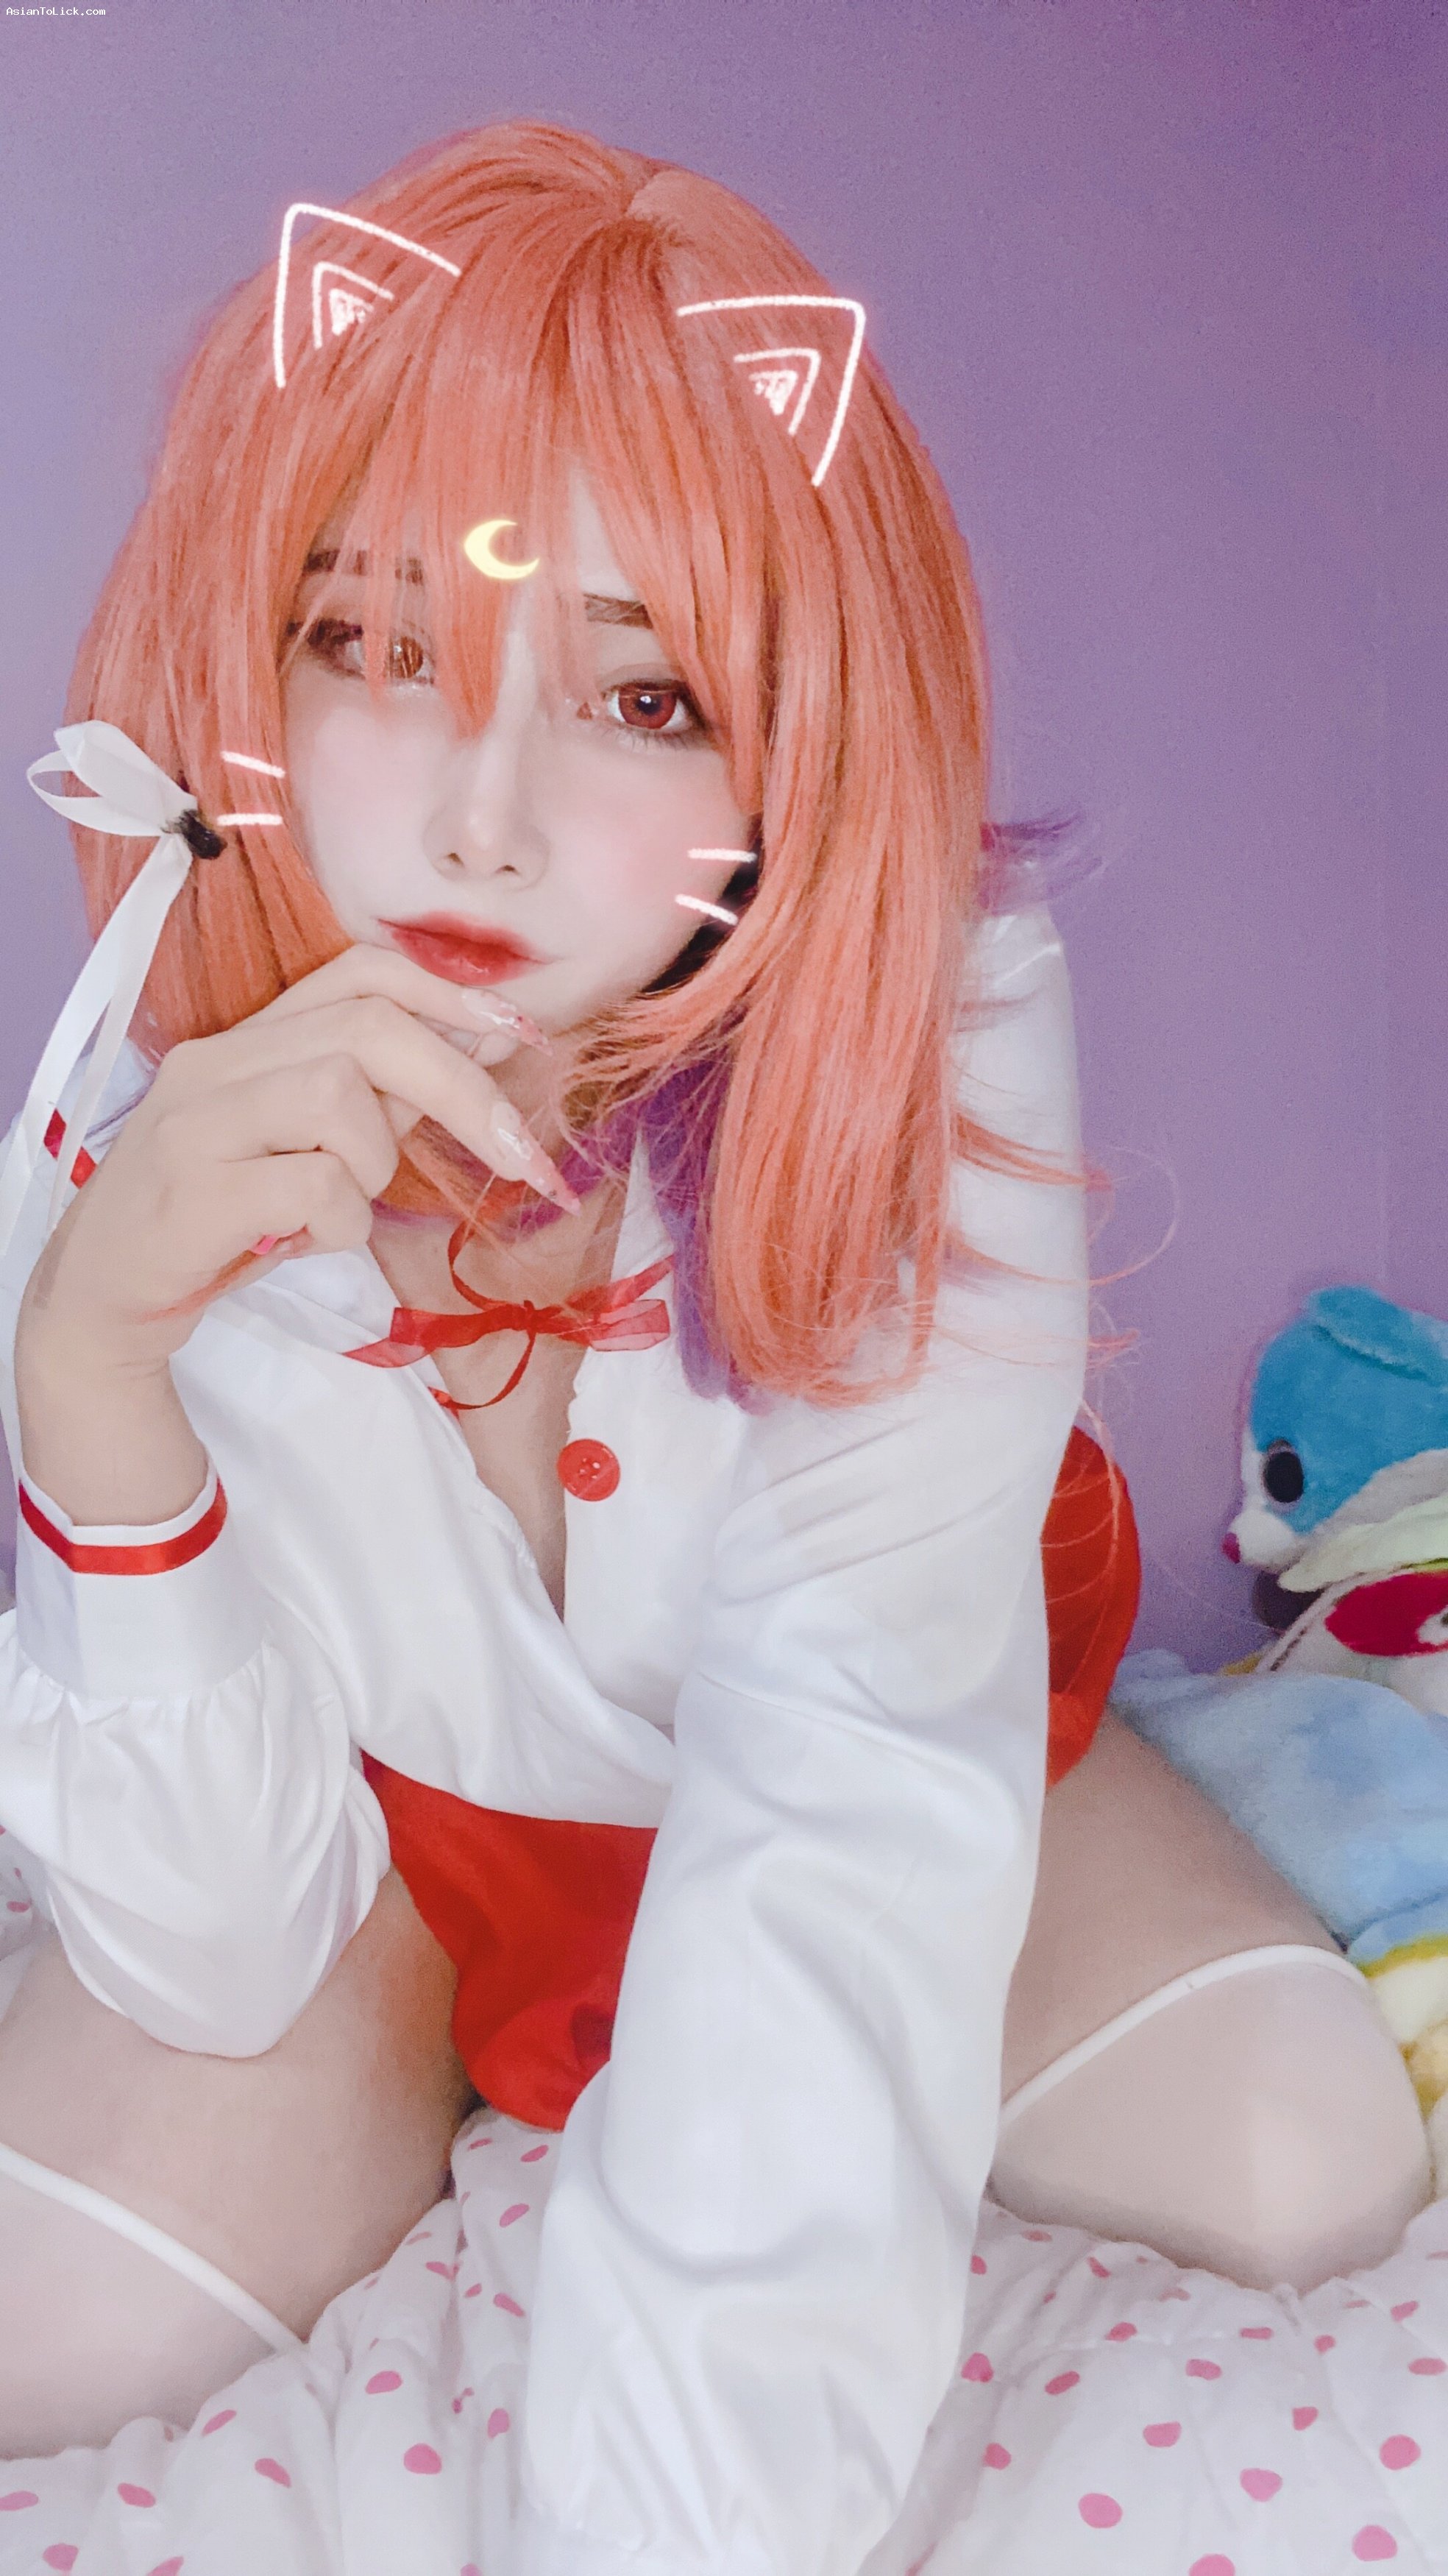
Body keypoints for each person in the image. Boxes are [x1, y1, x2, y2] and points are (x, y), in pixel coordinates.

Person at [0, 117, 1428, 2569]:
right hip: (403, 1859)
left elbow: (854, 1762)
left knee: (1301, 2157)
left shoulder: (936, 1038)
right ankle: (458, 2055)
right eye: (375, 647)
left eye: (643, 694)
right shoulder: (157, 1116)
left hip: (889, 1728)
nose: (482, 817)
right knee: (40, 2336)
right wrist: (92, 1373)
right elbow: (215, 1931)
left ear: (792, 743)